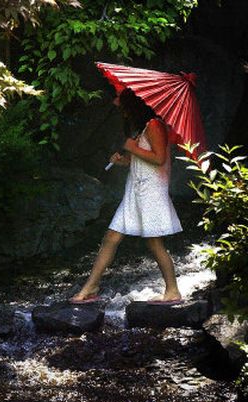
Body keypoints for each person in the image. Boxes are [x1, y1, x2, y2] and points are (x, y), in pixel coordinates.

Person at [70, 87, 183, 305]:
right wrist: (125, 161)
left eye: (123, 106)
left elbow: (159, 159)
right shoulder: (143, 129)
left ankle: (172, 291)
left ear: (134, 106)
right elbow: (143, 161)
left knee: (154, 243)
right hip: (135, 190)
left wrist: (132, 147)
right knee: (111, 237)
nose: (120, 109)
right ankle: (91, 286)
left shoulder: (155, 125)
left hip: (151, 192)